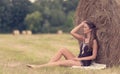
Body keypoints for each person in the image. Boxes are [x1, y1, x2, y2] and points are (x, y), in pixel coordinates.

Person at [27, 20, 98, 68]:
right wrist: (81, 24)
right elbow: (72, 32)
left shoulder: (93, 41)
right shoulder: (83, 38)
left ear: (90, 29)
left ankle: (37, 67)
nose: (83, 29)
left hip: (83, 63)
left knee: (61, 62)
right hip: (77, 59)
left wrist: (79, 59)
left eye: (85, 27)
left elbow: (93, 56)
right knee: (63, 49)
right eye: (83, 27)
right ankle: (48, 65)